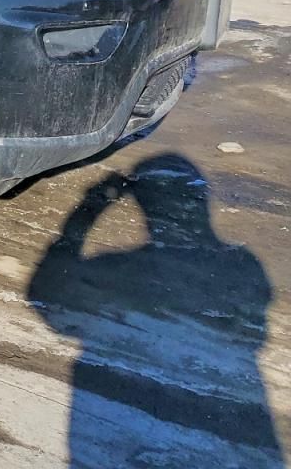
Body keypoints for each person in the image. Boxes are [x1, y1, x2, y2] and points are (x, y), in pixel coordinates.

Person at [28, 153, 282, 468]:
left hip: (129, 437)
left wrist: (89, 209)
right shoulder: (242, 265)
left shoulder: (121, 273)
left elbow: (48, 296)